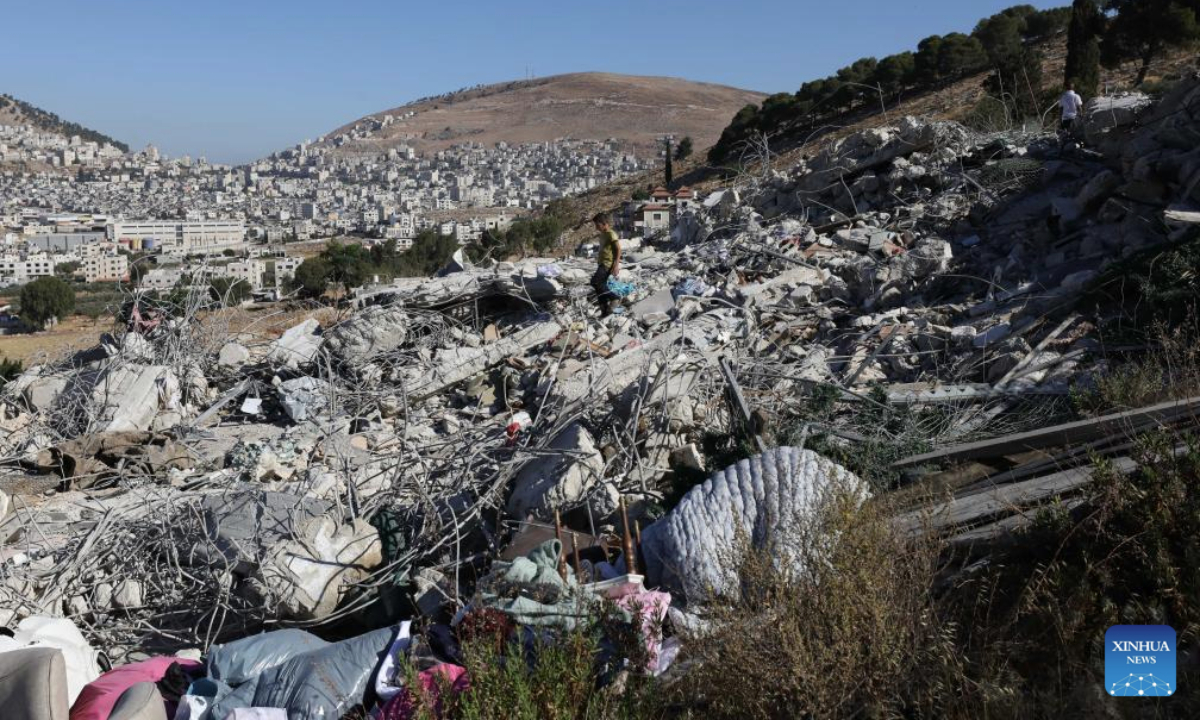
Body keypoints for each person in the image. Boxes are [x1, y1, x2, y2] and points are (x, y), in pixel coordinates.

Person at [590, 212, 621, 316]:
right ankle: (605, 312)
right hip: (602, 263)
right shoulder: (603, 234)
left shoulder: (611, 234)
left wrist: (616, 265)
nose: (596, 227)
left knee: (595, 282)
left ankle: (614, 297)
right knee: (600, 288)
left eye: (597, 225)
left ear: (603, 223)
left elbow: (618, 249)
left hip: (607, 264)